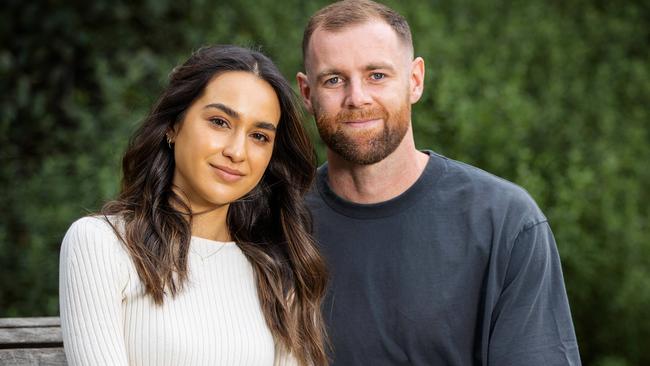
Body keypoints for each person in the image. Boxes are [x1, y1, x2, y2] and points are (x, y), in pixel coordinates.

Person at [296, 1, 581, 365]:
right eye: (334, 79)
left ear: (415, 81)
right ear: (307, 94)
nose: (357, 98)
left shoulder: (505, 223)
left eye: (377, 75)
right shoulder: (281, 224)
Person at [59, 45, 328, 366]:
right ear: (173, 125)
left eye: (259, 136)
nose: (237, 151)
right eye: (219, 121)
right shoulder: (102, 244)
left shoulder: (276, 270)